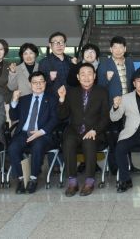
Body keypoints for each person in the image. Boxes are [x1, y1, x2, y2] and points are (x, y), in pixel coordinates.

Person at [57, 63, 109, 197]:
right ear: (78, 77)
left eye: (89, 74)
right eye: (83, 74)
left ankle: (89, 181)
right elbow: (62, 116)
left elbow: (105, 117)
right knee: (68, 142)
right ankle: (72, 182)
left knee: (89, 142)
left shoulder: (102, 92)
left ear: (94, 76)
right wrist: (62, 99)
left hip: (94, 130)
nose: (86, 77)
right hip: (74, 129)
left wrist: (95, 130)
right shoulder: (71, 92)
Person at [7, 71, 58, 194]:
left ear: (45, 83)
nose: (38, 85)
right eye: (35, 82)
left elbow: (55, 119)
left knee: (38, 146)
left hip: (42, 134)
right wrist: (14, 101)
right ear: (30, 84)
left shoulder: (52, 99)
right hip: (24, 133)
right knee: (13, 148)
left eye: (41, 82)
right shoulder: (24, 99)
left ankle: (33, 178)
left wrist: (41, 131)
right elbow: (13, 116)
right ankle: (21, 179)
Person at [98, 36, 136, 175]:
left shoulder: (129, 62)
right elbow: (100, 86)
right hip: (112, 107)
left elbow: (133, 83)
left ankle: (129, 165)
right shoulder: (104, 64)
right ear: (111, 49)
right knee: (114, 137)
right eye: (115, 47)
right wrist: (106, 79)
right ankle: (114, 167)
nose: (118, 50)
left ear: (125, 49)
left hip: (128, 106)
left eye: (121, 47)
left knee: (128, 135)